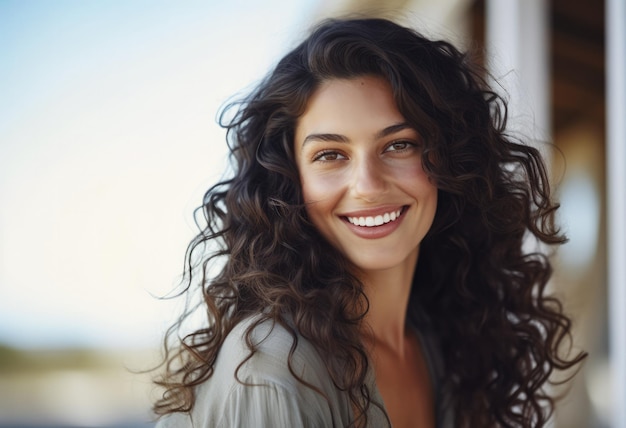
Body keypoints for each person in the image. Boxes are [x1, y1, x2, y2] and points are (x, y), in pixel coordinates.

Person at [152, 17, 586, 428]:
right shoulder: (273, 366)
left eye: (398, 145)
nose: (368, 185)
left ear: (452, 160)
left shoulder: (438, 339)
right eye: (330, 155)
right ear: (289, 181)